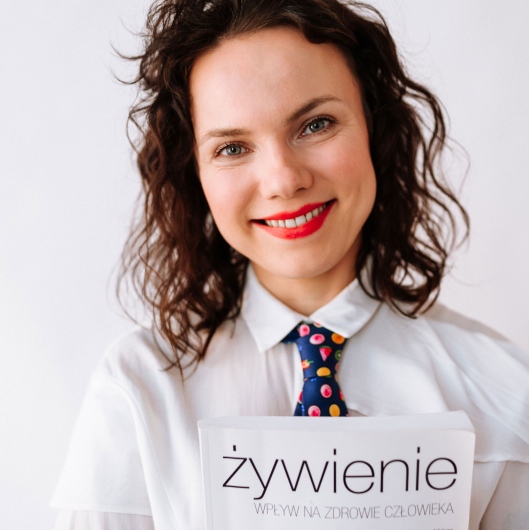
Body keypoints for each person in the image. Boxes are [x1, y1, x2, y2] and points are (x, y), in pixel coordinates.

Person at [51, 0, 529, 528]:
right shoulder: (139, 388)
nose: (283, 180)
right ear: (196, 175)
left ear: (373, 126)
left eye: (316, 124)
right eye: (232, 148)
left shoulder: (503, 389)